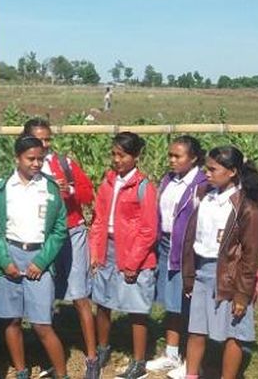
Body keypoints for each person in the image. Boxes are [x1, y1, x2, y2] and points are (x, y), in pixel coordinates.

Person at [181, 146, 258, 379]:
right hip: (203, 272)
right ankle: (191, 375)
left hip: (229, 277)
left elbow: (250, 256)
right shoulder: (205, 196)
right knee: (196, 330)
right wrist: (190, 275)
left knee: (233, 333)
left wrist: (243, 294)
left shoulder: (246, 209)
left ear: (232, 172)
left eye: (213, 169)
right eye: (206, 169)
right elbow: (193, 237)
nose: (207, 174)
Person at [22, 118, 100, 379]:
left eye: (47, 140)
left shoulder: (63, 164)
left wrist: (71, 189)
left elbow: (89, 194)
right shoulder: (27, 167)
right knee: (44, 297)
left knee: (79, 296)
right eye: (39, 140)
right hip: (42, 238)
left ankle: (92, 356)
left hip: (70, 231)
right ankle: (52, 357)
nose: (44, 145)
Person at [0, 136, 69, 379]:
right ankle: (22, 370)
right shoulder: (3, 189)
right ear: (17, 158)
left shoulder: (50, 188)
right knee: (12, 320)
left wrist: (42, 261)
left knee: (41, 323)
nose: (36, 164)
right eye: (30, 159)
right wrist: (5, 261)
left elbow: (59, 229)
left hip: (39, 258)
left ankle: (62, 374)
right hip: (10, 256)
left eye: (40, 159)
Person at [89, 131, 158, 379]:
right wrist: (95, 252)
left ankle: (139, 360)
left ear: (136, 156)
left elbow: (148, 230)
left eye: (123, 155)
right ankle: (102, 347)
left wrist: (132, 263)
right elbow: (98, 219)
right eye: (114, 154)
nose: (117, 160)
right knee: (103, 302)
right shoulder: (108, 182)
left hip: (133, 254)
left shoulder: (143, 187)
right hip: (107, 249)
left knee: (136, 308)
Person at [146, 136, 207, 377]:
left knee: (189, 304)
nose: (171, 160)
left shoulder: (202, 184)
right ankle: (172, 354)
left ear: (193, 158)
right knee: (172, 303)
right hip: (166, 247)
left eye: (177, 156)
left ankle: (191, 360)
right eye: (170, 155)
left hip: (188, 251)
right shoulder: (168, 180)